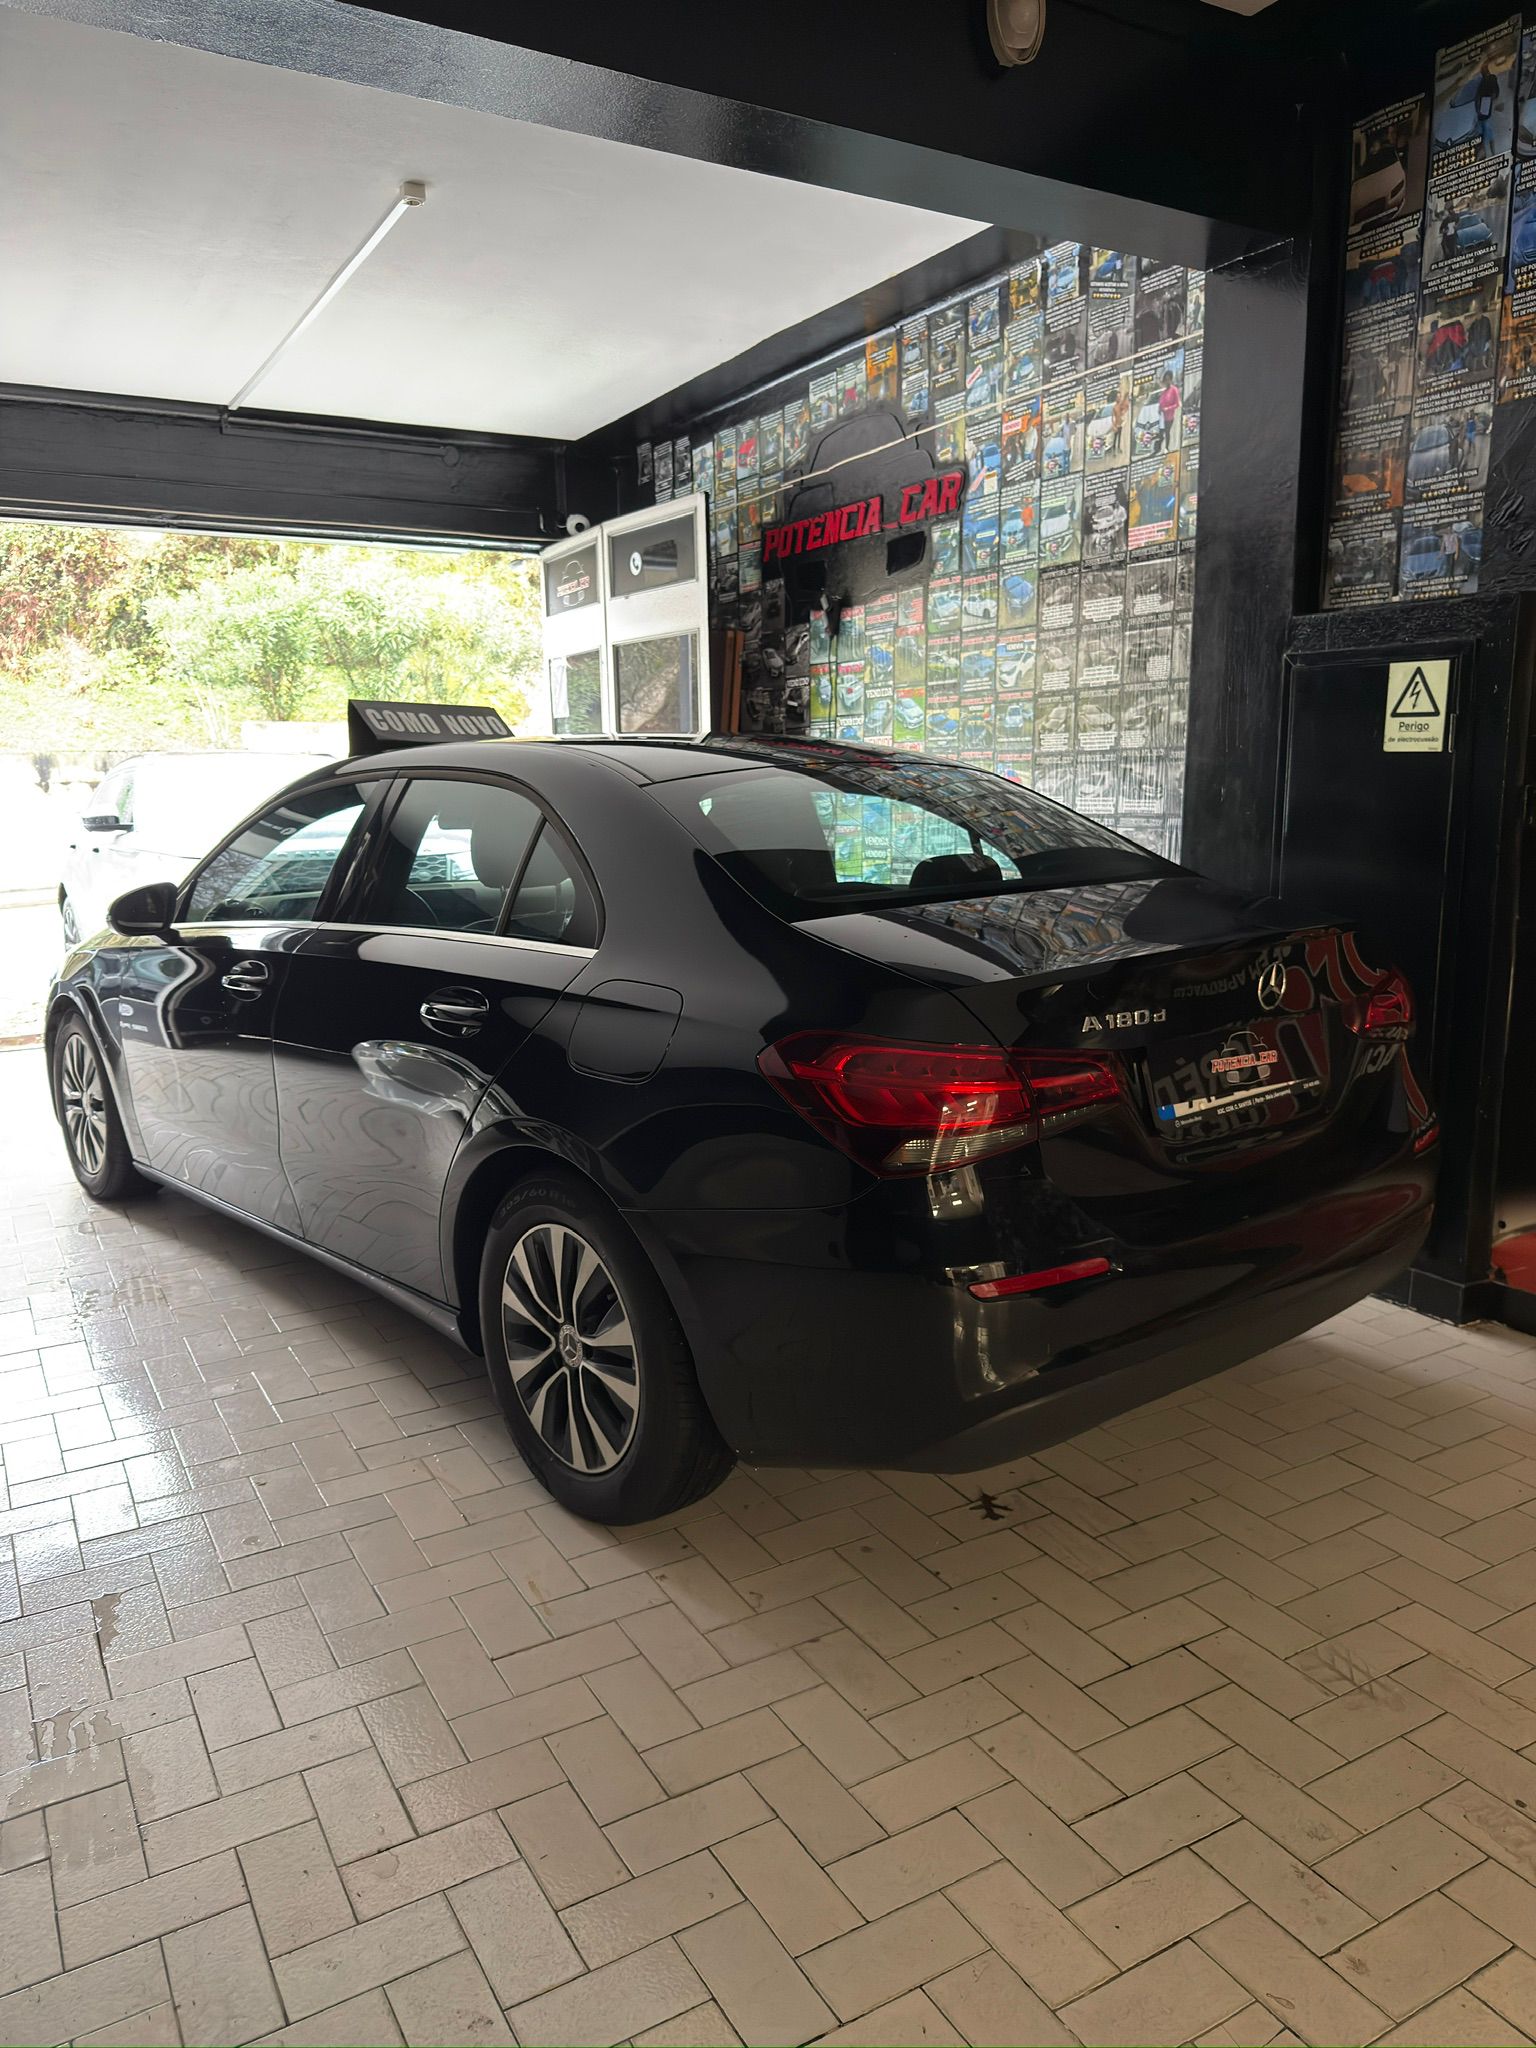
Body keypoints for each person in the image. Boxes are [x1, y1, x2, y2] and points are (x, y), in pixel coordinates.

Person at [1475, 62, 1501, 154]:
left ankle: (1492, 152)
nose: (1483, 72)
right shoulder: (1482, 81)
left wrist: (1491, 97)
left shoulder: (1491, 79)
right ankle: (1486, 152)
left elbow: (1496, 92)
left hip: (1486, 108)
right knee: (1483, 132)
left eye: (1484, 70)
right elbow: (1478, 95)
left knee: (1487, 131)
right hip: (1482, 110)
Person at [1158, 371, 1182, 450]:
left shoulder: (1174, 390)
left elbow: (1177, 404)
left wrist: (1167, 408)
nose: (1167, 381)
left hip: (1169, 417)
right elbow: (1161, 403)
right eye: (1165, 379)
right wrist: (1160, 408)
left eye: (1168, 379)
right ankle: (1159, 448)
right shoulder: (1164, 391)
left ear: (1171, 379)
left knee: (1167, 432)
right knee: (1161, 432)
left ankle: (1166, 448)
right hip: (1162, 417)